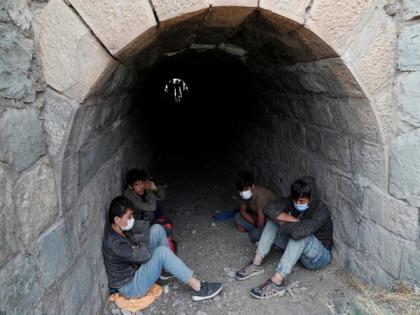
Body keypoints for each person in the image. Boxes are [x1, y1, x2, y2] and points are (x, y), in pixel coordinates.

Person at [102, 196, 223, 302]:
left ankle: (165, 269)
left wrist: (140, 237)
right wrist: (141, 239)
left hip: (135, 269)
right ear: (117, 220)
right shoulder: (115, 244)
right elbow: (145, 255)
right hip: (131, 287)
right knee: (162, 253)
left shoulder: (119, 227)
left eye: (132, 215)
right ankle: (200, 288)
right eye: (129, 217)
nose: (132, 219)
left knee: (157, 229)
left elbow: (144, 225)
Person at [235, 176, 333, 299]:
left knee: (299, 235)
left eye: (302, 201)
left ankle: (277, 282)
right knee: (273, 221)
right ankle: (256, 263)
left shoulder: (321, 211)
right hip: (300, 253)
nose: (298, 204)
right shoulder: (294, 201)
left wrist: (283, 220)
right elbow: (269, 208)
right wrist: (292, 220)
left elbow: (298, 233)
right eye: (295, 200)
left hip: (318, 257)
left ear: (311, 198)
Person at [234, 171, 279, 241]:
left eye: (246, 189)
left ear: (252, 186)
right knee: (238, 217)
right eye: (241, 190)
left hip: (270, 221)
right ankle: (258, 232)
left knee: (254, 235)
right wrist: (255, 223)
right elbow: (242, 212)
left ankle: (264, 235)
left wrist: (258, 226)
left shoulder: (261, 195)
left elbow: (261, 216)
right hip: (258, 219)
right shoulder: (243, 194)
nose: (243, 192)